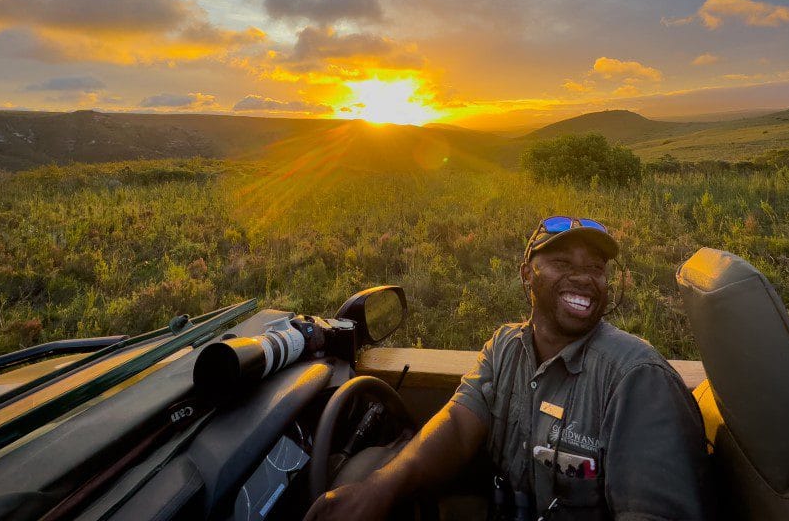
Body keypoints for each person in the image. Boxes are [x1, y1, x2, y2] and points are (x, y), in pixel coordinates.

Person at [304, 216, 715, 520]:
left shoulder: (636, 377)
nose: (584, 278)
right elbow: (459, 425)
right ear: (526, 274)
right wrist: (383, 486)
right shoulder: (504, 348)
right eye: (562, 263)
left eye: (595, 268)